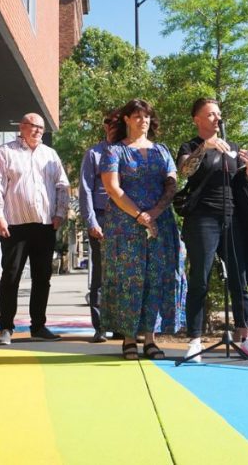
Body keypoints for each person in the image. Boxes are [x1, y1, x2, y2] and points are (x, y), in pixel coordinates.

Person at [178, 98, 248, 363]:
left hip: (233, 219)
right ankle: (194, 340)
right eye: (211, 114)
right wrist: (204, 148)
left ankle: (246, 336)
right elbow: (185, 171)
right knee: (200, 278)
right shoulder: (191, 146)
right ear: (197, 119)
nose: (218, 118)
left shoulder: (233, 147)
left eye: (219, 114)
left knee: (239, 279)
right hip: (203, 219)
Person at [99, 99, 186, 360]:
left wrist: (155, 213)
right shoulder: (114, 152)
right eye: (137, 116)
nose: (143, 121)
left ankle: (150, 339)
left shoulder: (162, 151)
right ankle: (128, 339)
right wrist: (138, 215)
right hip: (125, 226)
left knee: (157, 279)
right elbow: (113, 189)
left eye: (147, 116)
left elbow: (172, 183)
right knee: (129, 280)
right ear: (126, 119)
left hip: (160, 224)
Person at [0, 113, 69, 345]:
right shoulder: (5, 152)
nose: (38, 131)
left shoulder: (50, 155)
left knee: (42, 277)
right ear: (21, 127)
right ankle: (5, 328)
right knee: (10, 276)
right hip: (15, 226)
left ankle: (39, 326)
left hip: (45, 225)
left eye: (41, 128)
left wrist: (60, 213)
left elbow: (63, 185)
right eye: (33, 126)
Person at [78, 111, 116, 343]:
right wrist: (91, 220)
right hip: (101, 217)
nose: (113, 127)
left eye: (116, 123)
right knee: (101, 275)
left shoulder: (129, 151)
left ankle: (122, 325)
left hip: (125, 219)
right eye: (108, 123)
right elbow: (85, 189)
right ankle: (100, 327)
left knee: (123, 275)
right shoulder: (94, 153)